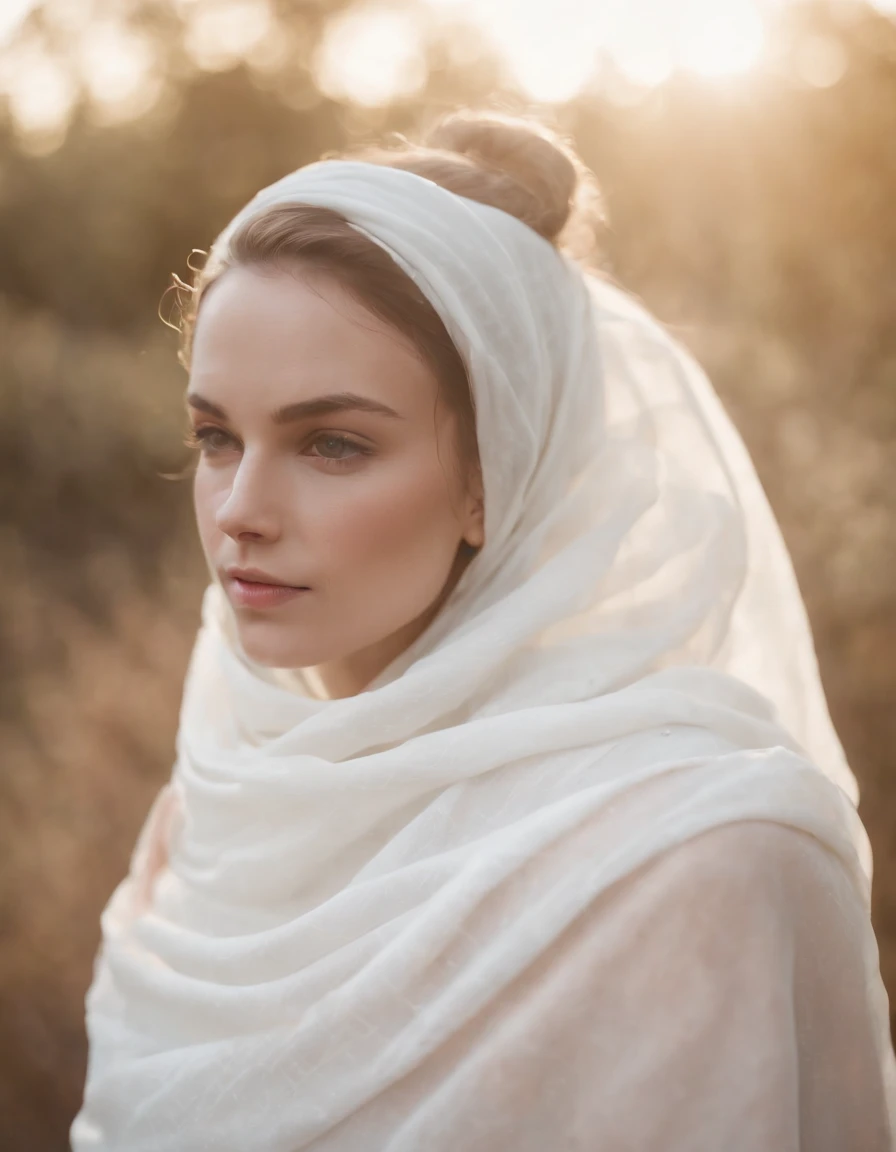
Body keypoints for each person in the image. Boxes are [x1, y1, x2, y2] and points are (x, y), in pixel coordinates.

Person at [71, 111, 896, 1151]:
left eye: (331, 443)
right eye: (216, 437)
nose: (239, 509)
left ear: (492, 476)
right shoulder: (217, 810)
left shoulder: (703, 855)